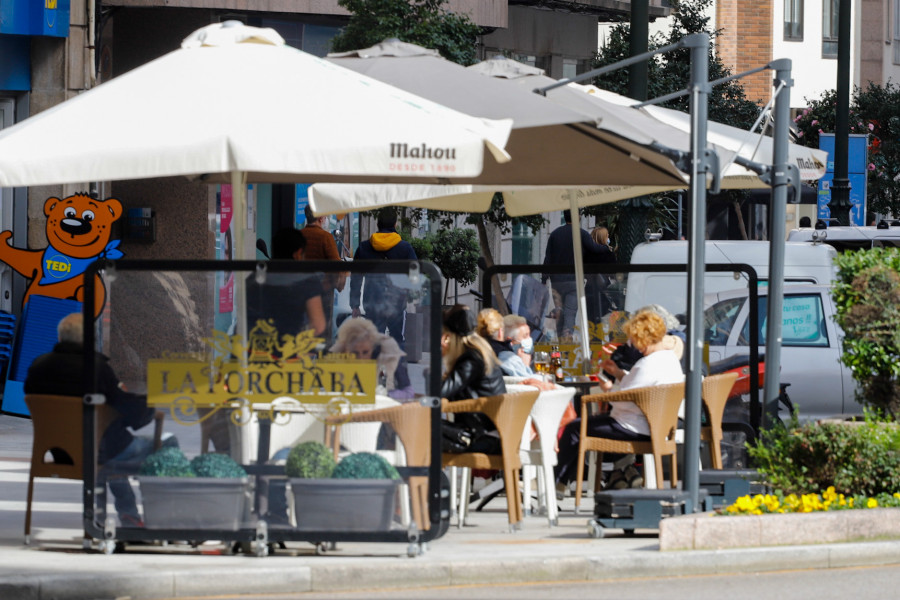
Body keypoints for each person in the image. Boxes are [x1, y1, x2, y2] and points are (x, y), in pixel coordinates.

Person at [24, 313, 177, 528]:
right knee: (164, 443)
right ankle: (160, 517)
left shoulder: (37, 368)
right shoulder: (96, 368)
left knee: (109, 442)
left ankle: (112, 517)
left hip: (63, 453)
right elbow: (126, 409)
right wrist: (148, 404)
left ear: (60, 338)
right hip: (102, 451)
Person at [554, 311, 684, 492]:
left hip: (635, 427)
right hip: (655, 426)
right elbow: (639, 388)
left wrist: (608, 389)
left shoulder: (647, 364)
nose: (634, 345)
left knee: (573, 429)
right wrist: (618, 374)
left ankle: (556, 485)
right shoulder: (669, 360)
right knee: (587, 424)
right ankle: (621, 473)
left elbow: (623, 401)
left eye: (634, 339)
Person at [440, 305, 507, 454]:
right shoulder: (478, 352)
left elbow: (441, 391)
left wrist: (429, 372)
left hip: (486, 438)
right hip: (492, 433)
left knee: (421, 426)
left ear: (449, 337)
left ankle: (423, 476)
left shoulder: (472, 359)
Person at [349, 208, 417, 350]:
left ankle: (374, 370)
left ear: (378, 225)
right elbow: (415, 276)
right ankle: (396, 371)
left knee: (373, 340)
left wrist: (355, 304)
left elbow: (356, 277)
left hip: (372, 301)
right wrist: (409, 295)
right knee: (397, 340)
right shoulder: (405, 248)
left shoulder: (364, 247)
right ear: (395, 225)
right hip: (397, 302)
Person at [247, 227, 327, 340]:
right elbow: (317, 326)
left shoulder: (255, 278)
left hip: (253, 348)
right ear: (298, 254)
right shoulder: (307, 281)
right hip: (287, 352)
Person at [542, 210, 607, 339]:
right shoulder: (581, 234)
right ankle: (567, 341)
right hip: (573, 281)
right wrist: (606, 247)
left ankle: (561, 342)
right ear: (577, 217)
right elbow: (594, 249)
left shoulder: (555, 234)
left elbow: (547, 258)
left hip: (557, 282)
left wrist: (544, 279)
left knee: (560, 312)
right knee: (570, 314)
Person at [329, 317, 415, 400]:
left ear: (373, 349)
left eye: (365, 352)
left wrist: (387, 395)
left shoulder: (388, 357)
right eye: (355, 353)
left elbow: (409, 392)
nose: (361, 357)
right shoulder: (337, 360)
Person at [302, 205, 347, 341]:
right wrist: (339, 283)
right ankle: (321, 356)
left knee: (304, 325)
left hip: (301, 288)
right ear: (321, 218)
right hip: (323, 289)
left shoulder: (298, 236)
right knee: (323, 328)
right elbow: (336, 264)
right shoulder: (325, 237)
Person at [497, 314, 556, 390]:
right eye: (525, 336)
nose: (529, 339)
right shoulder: (508, 358)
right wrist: (525, 366)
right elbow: (530, 382)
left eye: (529, 335)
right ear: (510, 341)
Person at [585, 225, 617, 322]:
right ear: (603, 238)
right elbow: (613, 271)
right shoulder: (608, 253)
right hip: (603, 289)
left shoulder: (587, 253)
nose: (608, 238)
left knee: (590, 319)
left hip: (589, 288)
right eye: (607, 236)